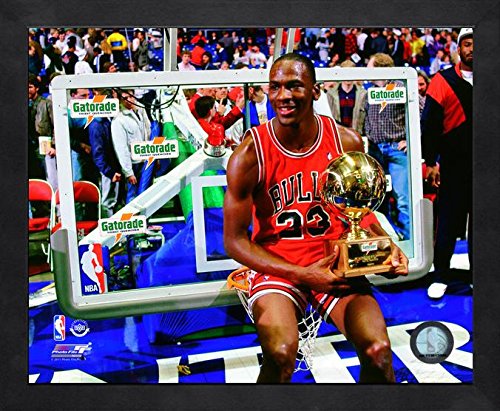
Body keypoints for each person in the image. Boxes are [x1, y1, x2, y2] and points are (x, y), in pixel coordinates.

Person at [223, 53, 408, 383]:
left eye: (294, 86)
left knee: (378, 352)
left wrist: (385, 247)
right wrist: (303, 274)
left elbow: (360, 214)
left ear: (315, 90)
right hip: (278, 269)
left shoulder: (345, 141)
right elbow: (234, 241)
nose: (283, 95)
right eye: (275, 87)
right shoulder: (251, 153)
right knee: (280, 353)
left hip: (334, 264)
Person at [421, 28, 473, 298]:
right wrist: (431, 161)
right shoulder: (442, 80)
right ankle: (441, 275)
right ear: (458, 48)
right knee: (448, 223)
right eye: (467, 44)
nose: (472, 49)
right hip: (454, 165)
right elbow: (430, 124)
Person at [364, 53, 411, 241]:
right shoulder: (370, 91)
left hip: (397, 150)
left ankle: (410, 244)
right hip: (375, 151)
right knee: (378, 200)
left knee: (403, 200)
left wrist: (411, 139)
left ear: (380, 68)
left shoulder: (401, 87)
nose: (366, 71)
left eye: (370, 67)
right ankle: (386, 241)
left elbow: (422, 113)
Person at [111, 90, 151, 203]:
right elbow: (121, 148)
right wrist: (128, 172)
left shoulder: (140, 110)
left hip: (145, 160)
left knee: (147, 196)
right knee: (132, 197)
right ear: (120, 100)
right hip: (133, 164)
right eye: (125, 98)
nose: (129, 100)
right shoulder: (118, 120)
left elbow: (148, 133)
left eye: (131, 96)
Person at [88, 89, 123, 217]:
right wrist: (109, 172)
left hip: (116, 167)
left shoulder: (112, 119)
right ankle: (107, 228)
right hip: (108, 170)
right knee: (107, 202)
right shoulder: (96, 125)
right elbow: (98, 154)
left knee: (116, 201)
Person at [326, 60, 367, 135]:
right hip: (337, 134)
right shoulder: (331, 94)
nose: (348, 77)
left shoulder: (363, 94)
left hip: (356, 134)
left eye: (351, 73)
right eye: (345, 74)